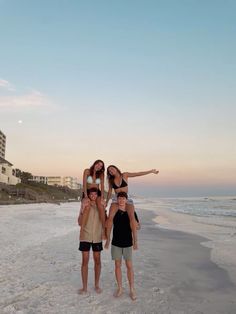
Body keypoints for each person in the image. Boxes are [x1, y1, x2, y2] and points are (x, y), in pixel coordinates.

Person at [105, 165, 159, 249]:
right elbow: (109, 192)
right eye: (109, 171)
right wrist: (106, 202)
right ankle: (108, 239)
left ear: (116, 168)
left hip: (127, 198)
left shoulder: (125, 175)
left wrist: (150, 171)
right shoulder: (111, 180)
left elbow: (138, 174)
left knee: (132, 217)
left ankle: (135, 241)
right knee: (110, 218)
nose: (111, 171)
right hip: (116, 199)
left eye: (112, 169)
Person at [105, 192, 137, 300]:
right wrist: (107, 239)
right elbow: (108, 224)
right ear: (117, 200)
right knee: (117, 266)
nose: (121, 200)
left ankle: (132, 289)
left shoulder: (131, 212)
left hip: (128, 242)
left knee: (129, 266)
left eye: (123, 198)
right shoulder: (114, 211)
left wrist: (135, 241)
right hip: (116, 243)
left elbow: (138, 226)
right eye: (119, 199)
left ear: (126, 200)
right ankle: (120, 288)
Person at [78, 188, 103, 294]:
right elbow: (79, 222)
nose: (93, 196)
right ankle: (84, 287)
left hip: (97, 236)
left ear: (97, 195)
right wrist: (83, 209)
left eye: (95, 194)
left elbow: (104, 219)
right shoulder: (85, 205)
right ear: (88, 195)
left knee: (97, 261)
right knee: (85, 261)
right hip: (85, 236)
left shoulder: (100, 206)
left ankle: (97, 285)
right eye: (91, 194)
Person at [78, 159, 106, 239]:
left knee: (101, 206)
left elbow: (102, 186)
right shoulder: (87, 171)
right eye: (98, 164)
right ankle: (82, 231)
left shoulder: (101, 174)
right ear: (95, 164)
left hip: (97, 193)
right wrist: (86, 196)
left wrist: (102, 198)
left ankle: (104, 230)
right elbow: (84, 185)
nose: (99, 167)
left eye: (101, 166)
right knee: (87, 207)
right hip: (88, 192)